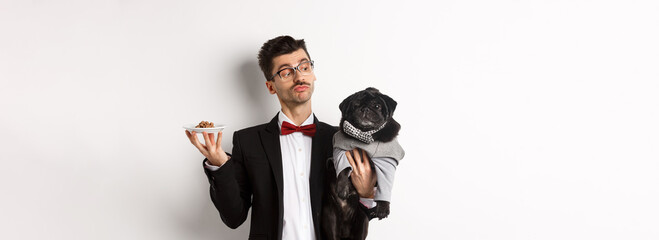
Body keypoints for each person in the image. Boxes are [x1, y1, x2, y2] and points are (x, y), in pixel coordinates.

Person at [184, 35, 378, 240]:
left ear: (313, 75)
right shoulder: (248, 141)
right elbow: (234, 217)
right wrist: (220, 164)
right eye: (286, 72)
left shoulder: (341, 140)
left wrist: (366, 194)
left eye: (304, 67)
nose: (299, 77)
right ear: (270, 86)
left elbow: (354, 227)